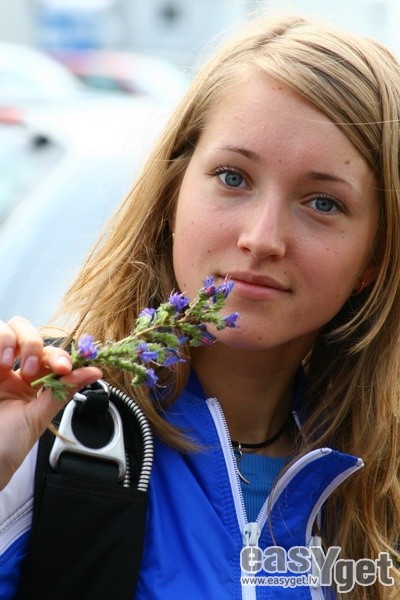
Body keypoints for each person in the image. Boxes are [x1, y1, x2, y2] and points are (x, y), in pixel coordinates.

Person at [0, 12, 399, 600]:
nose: (262, 238)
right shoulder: (50, 432)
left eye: (322, 202)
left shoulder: (380, 495)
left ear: (375, 258)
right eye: (233, 177)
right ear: (172, 196)